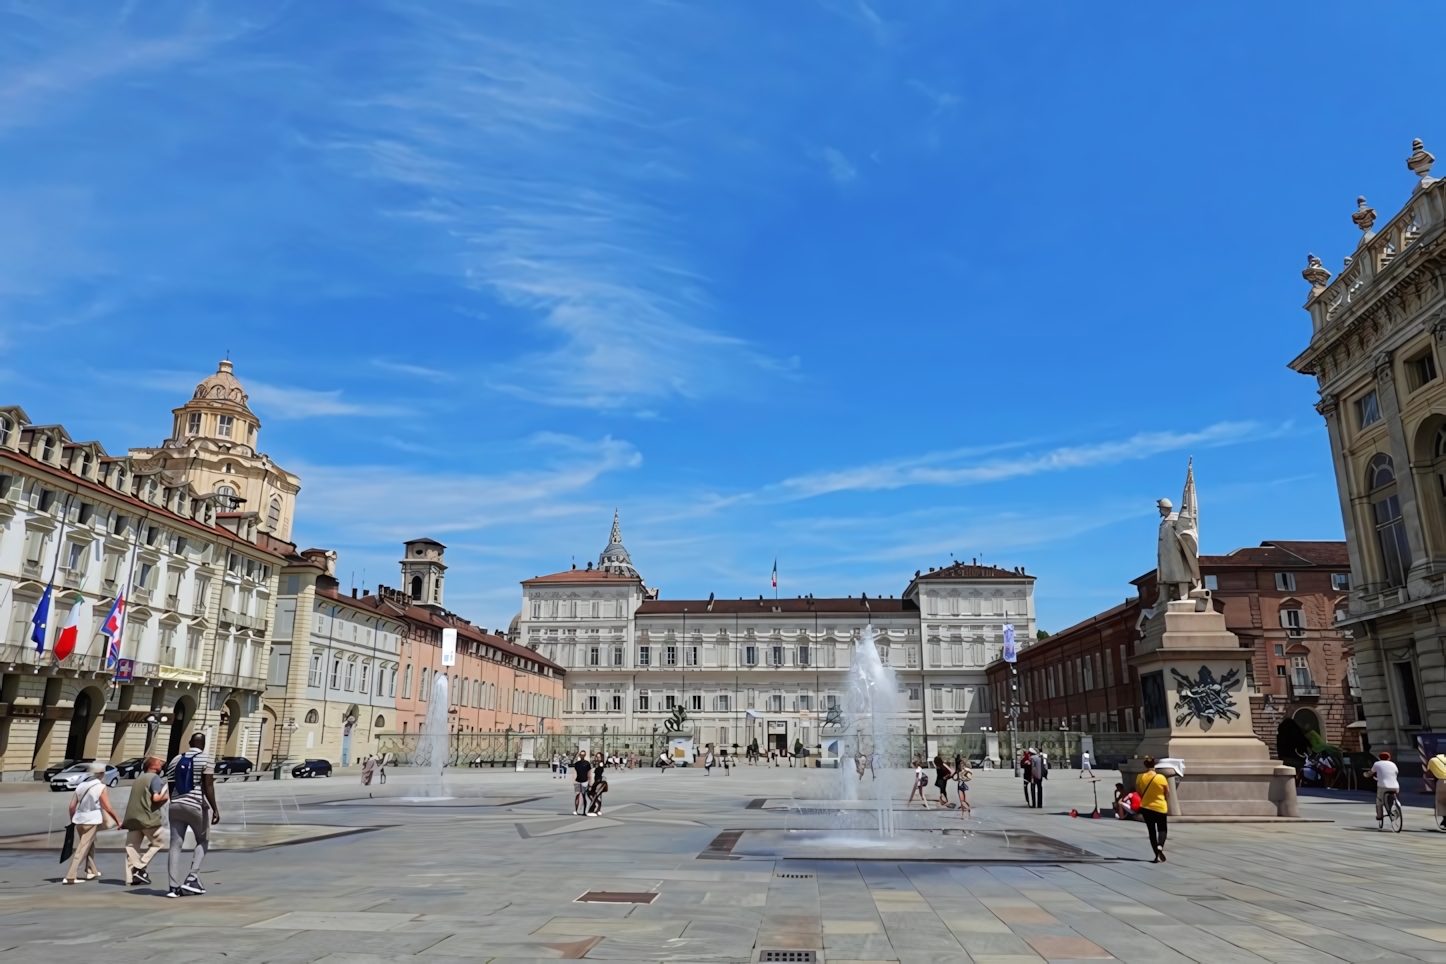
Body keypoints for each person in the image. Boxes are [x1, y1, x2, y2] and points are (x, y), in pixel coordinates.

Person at [165, 732, 219, 898]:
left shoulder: (175, 760)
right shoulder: (206, 758)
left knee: (175, 844)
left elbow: (170, 784)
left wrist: (175, 801)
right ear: (203, 744)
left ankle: (173, 887)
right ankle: (192, 877)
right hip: (195, 805)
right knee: (203, 840)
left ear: (189, 743)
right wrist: (215, 808)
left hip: (174, 805)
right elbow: (208, 785)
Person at [64, 762, 120, 884]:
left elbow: (72, 806)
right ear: (102, 773)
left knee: (89, 844)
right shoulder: (101, 787)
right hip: (92, 819)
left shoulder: (81, 785)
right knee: (83, 847)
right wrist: (118, 821)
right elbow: (107, 807)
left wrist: (73, 819)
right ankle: (70, 876)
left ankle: (91, 870)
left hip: (79, 820)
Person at [122, 757, 168, 887]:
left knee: (131, 847)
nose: (162, 765)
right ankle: (139, 867)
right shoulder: (155, 778)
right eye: (159, 763)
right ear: (153, 766)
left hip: (132, 817)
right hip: (147, 817)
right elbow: (156, 797)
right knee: (159, 842)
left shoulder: (139, 779)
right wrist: (167, 796)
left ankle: (132, 878)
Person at [1136, 756, 1171, 862]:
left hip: (1146, 807)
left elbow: (1139, 792)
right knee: (1162, 829)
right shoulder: (1161, 777)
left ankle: (1156, 854)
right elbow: (1167, 793)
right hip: (1160, 807)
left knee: (1151, 831)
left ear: (1145, 765)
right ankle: (1160, 845)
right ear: (1154, 765)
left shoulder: (1140, 777)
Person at [1369, 751, 1400, 829]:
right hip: (1395, 786)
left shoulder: (1377, 763)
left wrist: (1366, 775)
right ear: (1389, 758)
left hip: (1383, 785)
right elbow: (1396, 773)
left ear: (1379, 758)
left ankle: (1379, 815)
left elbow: (1371, 772)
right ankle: (1397, 807)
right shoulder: (1393, 764)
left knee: (1379, 800)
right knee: (1394, 798)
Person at [1426, 748, 1446, 827]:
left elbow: (1429, 774)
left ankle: (1445, 818)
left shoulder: (1433, 760)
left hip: (1442, 782)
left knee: (1441, 802)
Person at [572, 750, 593, 815]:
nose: (582, 756)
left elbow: (589, 774)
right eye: (581, 754)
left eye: (583, 754)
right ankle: (578, 810)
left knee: (583, 796)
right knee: (578, 796)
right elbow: (574, 773)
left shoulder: (586, 763)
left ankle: (583, 811)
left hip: (584, 781)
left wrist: (590, 783)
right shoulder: (578, 763)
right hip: (579, 781)